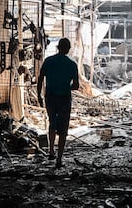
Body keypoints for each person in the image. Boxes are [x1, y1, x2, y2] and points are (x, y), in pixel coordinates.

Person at [37, 38, 79, 168]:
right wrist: (66, 86)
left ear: (58, 47)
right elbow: (76, 86)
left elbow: (40, 78)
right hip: (64, 98)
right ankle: (59, 159)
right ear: (68, 49)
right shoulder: (72, 64)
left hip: (50, 96)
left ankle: (50, 151)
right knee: (63, 128)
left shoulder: (49, 61)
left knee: (52, 123)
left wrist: (38, 94)